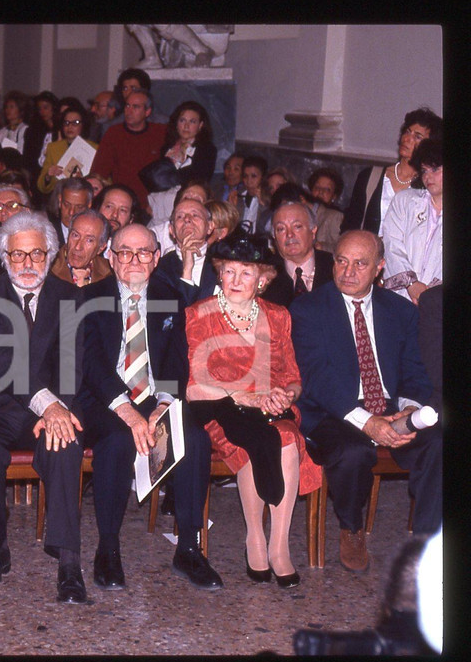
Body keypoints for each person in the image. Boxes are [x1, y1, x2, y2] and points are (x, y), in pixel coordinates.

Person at [79, 223, 220, 590]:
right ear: (110, 256)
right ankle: (108, 547)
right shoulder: (86, 299)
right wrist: (126, 411)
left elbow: (177, 361)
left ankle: (189, 546)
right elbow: (89, 364)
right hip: (107, 401)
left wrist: (162, 405)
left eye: (144, 252)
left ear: (157, 258)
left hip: (156, 399)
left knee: (194, 439)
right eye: (125, 252)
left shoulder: (170, 297)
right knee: (116, 442)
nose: (134, 260)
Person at [0, 211, 87, 603]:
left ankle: (69, 562)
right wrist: (47, 407)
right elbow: (2, 363)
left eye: (36, 254)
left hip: (50, 408)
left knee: (65, 444)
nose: (28, 264)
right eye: (18, 256)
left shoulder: (69, 297)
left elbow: (72, 366)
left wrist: (55, 411)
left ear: (49, 255)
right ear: (2, 258)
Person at [291, 230, 441, 572]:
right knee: (353, 451)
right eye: (341, 261)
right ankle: (351, 527)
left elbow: (416, 371)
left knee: (439, 443)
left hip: (391, 407)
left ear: (379, 268)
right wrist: (367, 421)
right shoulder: (308, 308)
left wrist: (410, 410)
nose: (348, 271)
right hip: (334, 410)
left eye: (360, 263)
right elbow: (317, 378)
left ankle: (427, 538)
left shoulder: (401, 310)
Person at [185, 232, 320, 588]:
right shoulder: (200, 315)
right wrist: (243, 397)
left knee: (288, 437)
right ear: (219, 274)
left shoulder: (278, 316)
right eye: (229, 272)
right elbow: (194, 381)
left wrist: (284, 396)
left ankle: (278, 545)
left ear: (262, 279)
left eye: (246, 273)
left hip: (272, 408)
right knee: (252, 441)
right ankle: (254, 540)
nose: (236, 281)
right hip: (221, 409)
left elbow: (292, 376)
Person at [342, 108, 442, 235]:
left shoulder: (428, 185)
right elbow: (351, 223)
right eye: (407, 132)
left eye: (417, 137)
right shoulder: (371, 177)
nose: (407, 139)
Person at [381, 138, 442, 305]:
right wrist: (411, 283)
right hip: (401, 294)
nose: (428, 176)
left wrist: (431, 293)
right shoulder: (405, 201)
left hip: (438, 301)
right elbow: (391, 243)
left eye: (435, 169)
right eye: (424, 170)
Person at [90, 90, 168, 217]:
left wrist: (157, 203)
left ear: (147, 112)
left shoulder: (160, 133)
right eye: (127, 105)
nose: (129, 111)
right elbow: (99, 172)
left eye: (135, 107)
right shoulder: (114, 134)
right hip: (121, 203)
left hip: (152, 205)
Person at [260, 201, 334, 308]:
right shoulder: (265, 273)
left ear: (313, 231)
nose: (289, 235)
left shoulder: (334, 267)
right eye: (281, 229)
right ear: (274, 237)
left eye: (297, 226)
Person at [156, 198, 218, 304]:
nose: (187, 219)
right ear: (172, 230)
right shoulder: (159, 268)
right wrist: (187, 271)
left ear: (210, 227)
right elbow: (169, 313)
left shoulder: (222, 263)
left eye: (195, 215)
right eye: (180, 216)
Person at [37, 102, 98, 196]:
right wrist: (48, 176)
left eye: (76, 123)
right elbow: (41, 186)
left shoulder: (94, 148)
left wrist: (85, 180)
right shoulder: (53, 147)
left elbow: (102, 180)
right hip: (59, 196)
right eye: (66, 123)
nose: (70, 126)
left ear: (83, 125)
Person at [49, 209, 112, 287]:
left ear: (101, 248)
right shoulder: (48, 267)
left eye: (89, 240)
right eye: (75, 235)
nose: (78, 247)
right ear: (68, 236)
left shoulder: (111, 273)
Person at [159, 100, 217, 185]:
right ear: (176, 123)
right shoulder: (166, 148)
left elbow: (201, 180)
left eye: (192, 121)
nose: (186, 126)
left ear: (200, 125)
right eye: (182, 120)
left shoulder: (207, 150)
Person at [47, 177, 93, 246]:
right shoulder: (47, 231)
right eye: (67, 205)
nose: (71, 212)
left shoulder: (94, 234)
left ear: (89, 205)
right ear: (60, 200)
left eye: (79, 207)